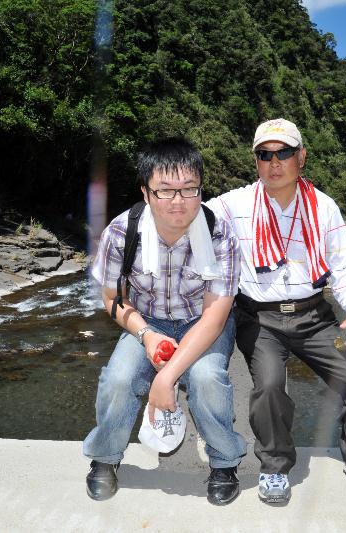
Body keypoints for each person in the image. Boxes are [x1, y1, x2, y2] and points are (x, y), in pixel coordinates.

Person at [207, 118, 346, 504]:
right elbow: (187, 215)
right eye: (265, 155)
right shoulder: (233, 205)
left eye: (284, 153)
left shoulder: (324, 207)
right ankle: (275, 467)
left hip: (315, 317)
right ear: (256, 161)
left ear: (301, 157)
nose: (274, 162)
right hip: (259, 319)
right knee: (269, 386)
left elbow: (342, 268)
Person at [83, 138, 247, 505]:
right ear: (146, 192)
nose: (178, 201)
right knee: (119, 378)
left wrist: (165, 377)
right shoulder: (122, 232)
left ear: (201, 188)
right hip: (146, 320)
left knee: (207, 378)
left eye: (189, 189)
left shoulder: (220, 234)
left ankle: (225, 462)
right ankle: (104, 458)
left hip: (202, 322)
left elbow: (215, 316)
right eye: (165, 190)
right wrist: (145, 334)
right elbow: (112, 299)